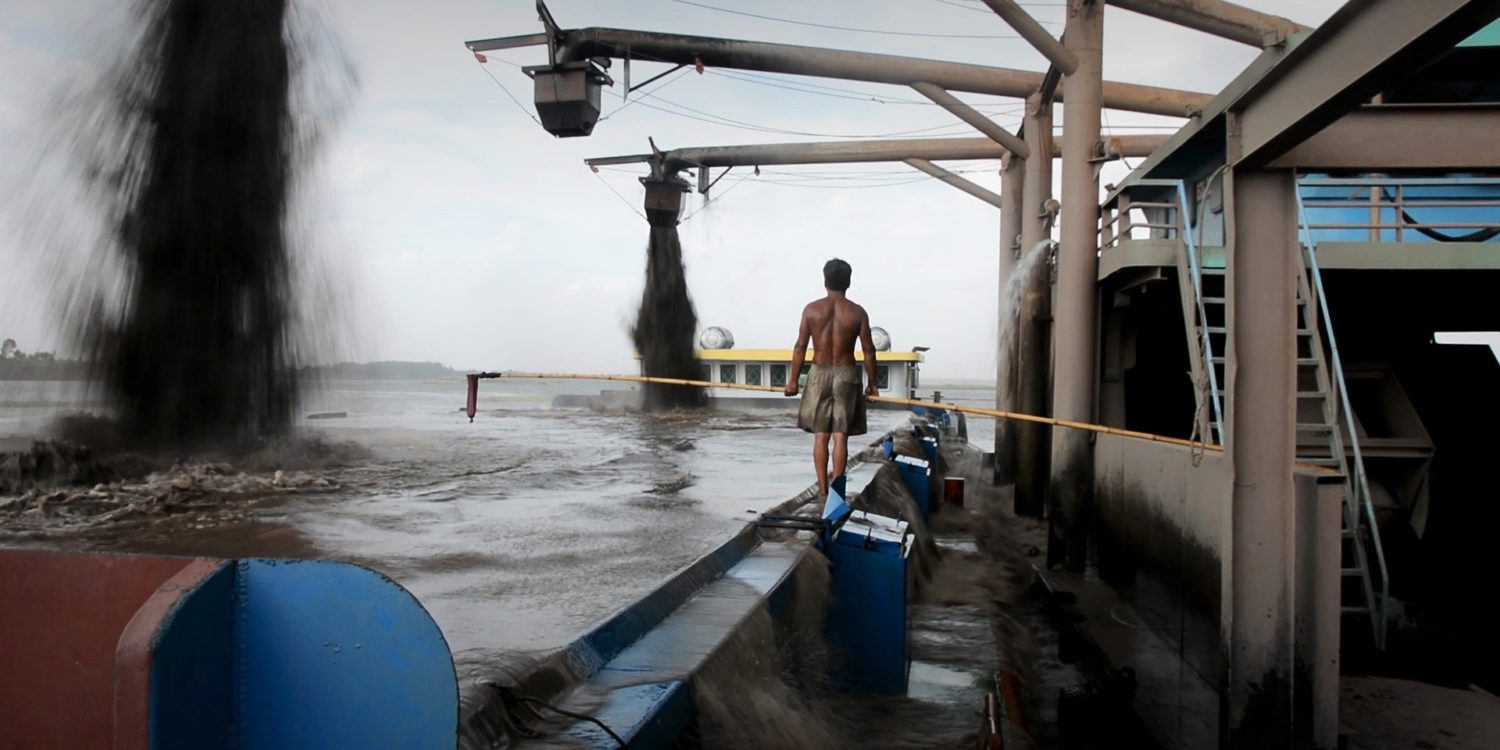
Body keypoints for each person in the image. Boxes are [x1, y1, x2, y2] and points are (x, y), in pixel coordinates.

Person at [784, 258, 880, 498]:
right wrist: (873, 385)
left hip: (819, 373)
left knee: (821, 435)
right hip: (847, 374)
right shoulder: (857, 312)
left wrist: (793, 381)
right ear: (848, 282)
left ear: (825, 280)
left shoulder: (812, 310)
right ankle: (837, 495)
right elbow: (869, 350)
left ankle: (823, 491)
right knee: (840, 436)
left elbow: (800, 346)